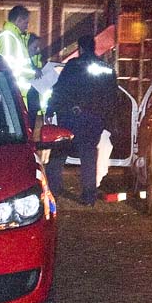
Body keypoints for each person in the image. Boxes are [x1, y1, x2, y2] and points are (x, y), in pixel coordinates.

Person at [45, 34, 117, 206]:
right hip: (93, 119)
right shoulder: (106, 68)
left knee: (59, 152)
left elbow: (60, 89)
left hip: (71, 116)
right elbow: (112, 97)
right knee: (89, 157)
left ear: (81, 49)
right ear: (93, 47)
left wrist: (50, 109)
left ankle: (54, 189)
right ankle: (89, 196)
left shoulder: (73, 66)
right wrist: (108, 120)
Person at [0, 5, 35, 102]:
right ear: (19, 20)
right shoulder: (8, 37)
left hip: (17, 93)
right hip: (13, 92)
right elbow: (7, 65)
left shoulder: (15, 36)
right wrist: (33, 73)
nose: (27, 26)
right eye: (26, 22)